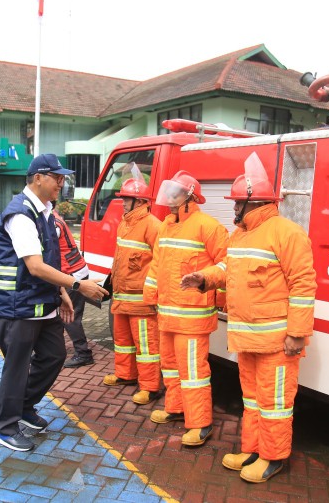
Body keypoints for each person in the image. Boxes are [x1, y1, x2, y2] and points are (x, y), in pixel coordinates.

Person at [182, 153, 316, 482]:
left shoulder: (287, 234)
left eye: (237, 203)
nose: (233, 208)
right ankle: (252, 448)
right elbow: (229, 269)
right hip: (248, 338)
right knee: (253, 400)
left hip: (276, 343)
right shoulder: (240, 235)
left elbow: (303, 285)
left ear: (252, 202)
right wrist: (205, 278)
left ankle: (273, 457)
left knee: (274, 404)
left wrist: (297, 333)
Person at [0, 153, 107, 452]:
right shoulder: (21, 214)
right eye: (56, 177)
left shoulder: (44, 211)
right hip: (18, 306)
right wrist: (79, 286)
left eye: (62, 177)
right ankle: (5, 426)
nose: (61, 182)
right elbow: (35, 266)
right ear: (38, 178)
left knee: (54, 356)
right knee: (16, 367)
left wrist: (62, 294)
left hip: (43, 303)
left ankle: (24, 407)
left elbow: (51, 260)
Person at [143, 170, 228, 447]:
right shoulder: (167, 226)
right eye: (169, 192)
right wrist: (150, 292)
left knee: (193, 371)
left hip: (192, 318)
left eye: (175, 193)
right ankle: (176, 408)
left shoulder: (209, 226)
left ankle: (200, 423)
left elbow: (227, 264)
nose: (169, 198)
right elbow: (157, 264)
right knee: (170, 366)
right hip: (167, 313)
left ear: (189, 197)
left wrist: (210, 284)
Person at [102, 170, 163, 405]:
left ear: (139, 201)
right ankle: (125, 374)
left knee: (147, 347)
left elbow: (159, 264)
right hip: (122, 297)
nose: (122, 203)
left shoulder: (152, 226)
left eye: (126, 199)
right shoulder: (125, 224)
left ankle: (150, 387)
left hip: (141, 301)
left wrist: (153, 295)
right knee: (123, 341)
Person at [52, 207, 94, 368]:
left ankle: (83, 353)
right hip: (75, 271)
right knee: (63, 315)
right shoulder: (54, 217)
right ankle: (55, 348)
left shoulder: (53, 223)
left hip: (72, 274)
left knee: (69, 316)